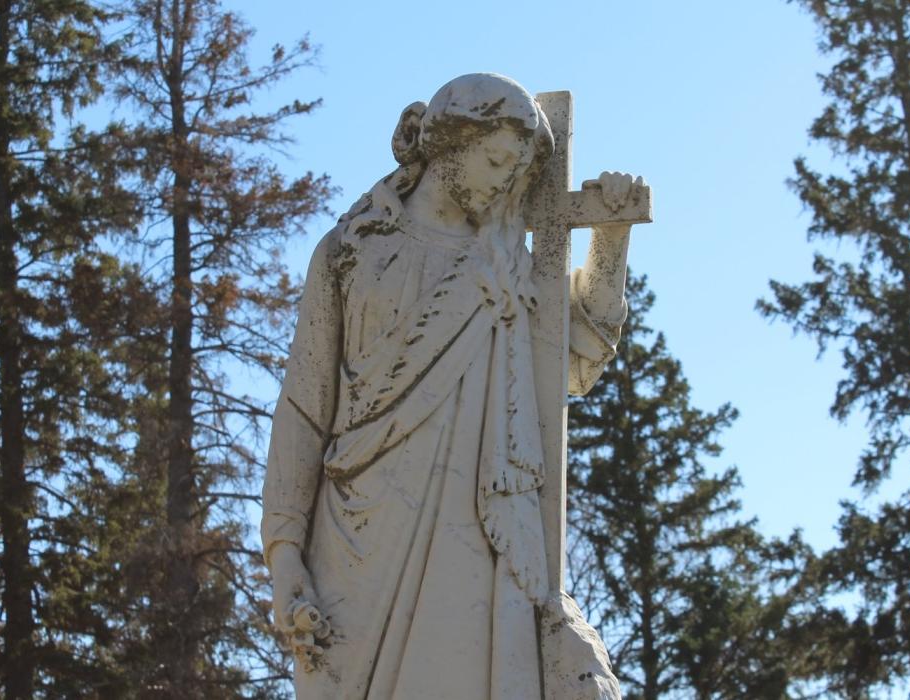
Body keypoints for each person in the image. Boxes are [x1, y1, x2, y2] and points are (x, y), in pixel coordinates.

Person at [261, 73, 641, 699]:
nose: (501, 182)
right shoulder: (350, 252)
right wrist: (283, 554)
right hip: (354, 544)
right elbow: (303, 411)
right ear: (447, 141)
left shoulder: (508, 263)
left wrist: (612, 241)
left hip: (478, 547)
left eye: (514, 171)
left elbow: (579, 361)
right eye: (494, 160)